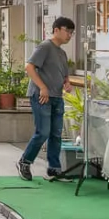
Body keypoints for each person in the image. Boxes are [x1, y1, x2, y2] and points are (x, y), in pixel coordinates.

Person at [17, 17, 75, 182]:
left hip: (57, 97)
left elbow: (64, 75)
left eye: (72, 33)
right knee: (42, 132)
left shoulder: (62, 53)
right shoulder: (45, 46)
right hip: (41, 97)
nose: (70, 35)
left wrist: (67, 83)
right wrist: (42, 87)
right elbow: (29, 67)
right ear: (56, 30)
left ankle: (54, 169)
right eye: (67, 31)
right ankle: (25, 162)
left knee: (56, 134)